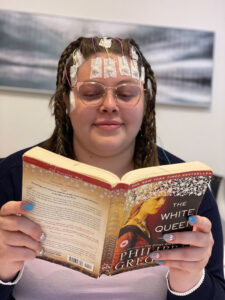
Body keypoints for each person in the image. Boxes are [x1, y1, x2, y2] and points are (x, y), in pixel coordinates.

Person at [0, 36, 224, 300]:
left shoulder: (188, 187)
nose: (109, 105)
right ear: (66, 102)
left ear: (145, 104)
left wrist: (190, 279)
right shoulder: (11, 177)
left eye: (126, 93)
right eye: (91, 93)